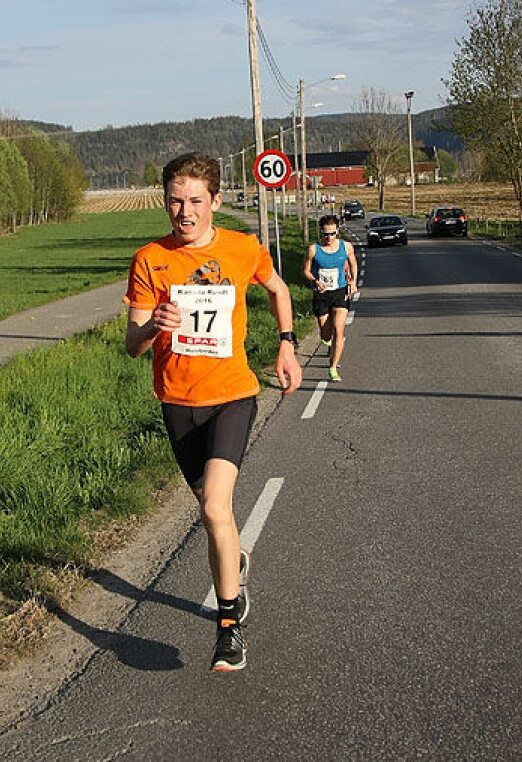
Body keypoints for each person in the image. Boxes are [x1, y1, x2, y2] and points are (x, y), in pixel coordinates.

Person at [124, 151, 302, 672]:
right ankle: (234, 560)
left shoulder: (243, 248)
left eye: (195, 201)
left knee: (213, 509)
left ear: (215, 202)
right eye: (175, 201)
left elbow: (278, 288)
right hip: (177, 406)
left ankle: (229, 626)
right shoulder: (149, 259)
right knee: (215, 518)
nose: (184, 212)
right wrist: (153, 324)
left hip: (231, 395)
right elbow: (132, 346)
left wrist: (287, 343)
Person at [303, 214, 359, 381]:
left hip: (339, 291)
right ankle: (328, 343)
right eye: (325, 234)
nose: (329, 238)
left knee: (338, 329)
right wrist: (315, 280)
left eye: (332, 234)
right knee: (326, 334)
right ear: (321, 232)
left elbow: (354, 263)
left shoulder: (346, 247)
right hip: (321, 294)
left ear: (338, 232)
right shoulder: (313, 249)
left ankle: (333, 367)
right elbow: (305, 271)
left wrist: (353, 282)